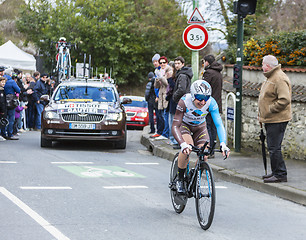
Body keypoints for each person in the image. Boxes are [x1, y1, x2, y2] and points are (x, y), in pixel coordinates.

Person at [172, 80, 230, 193]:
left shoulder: (211, 103)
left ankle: (196, 174)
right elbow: (175, 126)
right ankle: (179, 179)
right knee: (187, 148)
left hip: (200, 127)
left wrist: (223, 143)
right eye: (199, 97)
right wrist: (182, 144)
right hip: (185, 126)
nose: (203, 102)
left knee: (204, 154)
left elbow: (219, 124)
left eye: (206, 98)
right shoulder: (184, 101)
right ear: (193, 95)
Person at [258, 55, 292, 183]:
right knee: (273, 147)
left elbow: (284, 99)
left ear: (267, 65)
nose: (261, 67)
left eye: (262, 64)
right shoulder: (271, 77)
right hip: (270, 118)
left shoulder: (279, 78)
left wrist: (270, 109)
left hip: (277, 119)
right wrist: (261, 114)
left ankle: (280, 174)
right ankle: (276, 172)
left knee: (274, 147)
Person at [202, 55, 223, 158]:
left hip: (208, 104)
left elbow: (203, 89)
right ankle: (212, 150)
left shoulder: (208, 73)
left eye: (204, 62)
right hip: (217, 103)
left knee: (208, 127)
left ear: (207, 62)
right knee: (214, 128)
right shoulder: (219, 73)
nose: (203, 64)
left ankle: (209, 150)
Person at [154, 56, 171, 140]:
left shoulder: (169, 70)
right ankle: (164, 133)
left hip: (166, 96)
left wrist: (161, 77)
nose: (162, 64)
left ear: (166, 63)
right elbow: (156, 86)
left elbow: (168, 83)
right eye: (161, 63)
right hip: (161, 95)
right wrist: (157, 80)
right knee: (161, 115)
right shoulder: (159, 71)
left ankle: (166, 134)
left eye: (164, 62)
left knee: (166, 115)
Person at [3, 69, 20, 140]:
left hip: (3, 100)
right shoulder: (12, 81)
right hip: (10, 101)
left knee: (4, 118)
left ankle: (3, 133)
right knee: (11, 118)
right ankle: (10, 133)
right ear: (10, 74)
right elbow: (18, 90)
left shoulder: (3, 80)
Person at [150, 53, 164, 138]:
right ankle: (159, 131)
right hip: (157, 95)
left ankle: (161, 132)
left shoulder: (161, 71)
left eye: (156, 61)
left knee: (161, 115)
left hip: (161, 96)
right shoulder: (156, 71)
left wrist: (158, 95)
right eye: (153, 62)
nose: (155, 63)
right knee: (158, 115)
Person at [0, 76, 7, 141]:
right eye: (2, 82)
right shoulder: (1, 91)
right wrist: (2, 110)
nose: (3, 83)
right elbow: (1, 101)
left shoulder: (3, 89)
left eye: (4, 82)